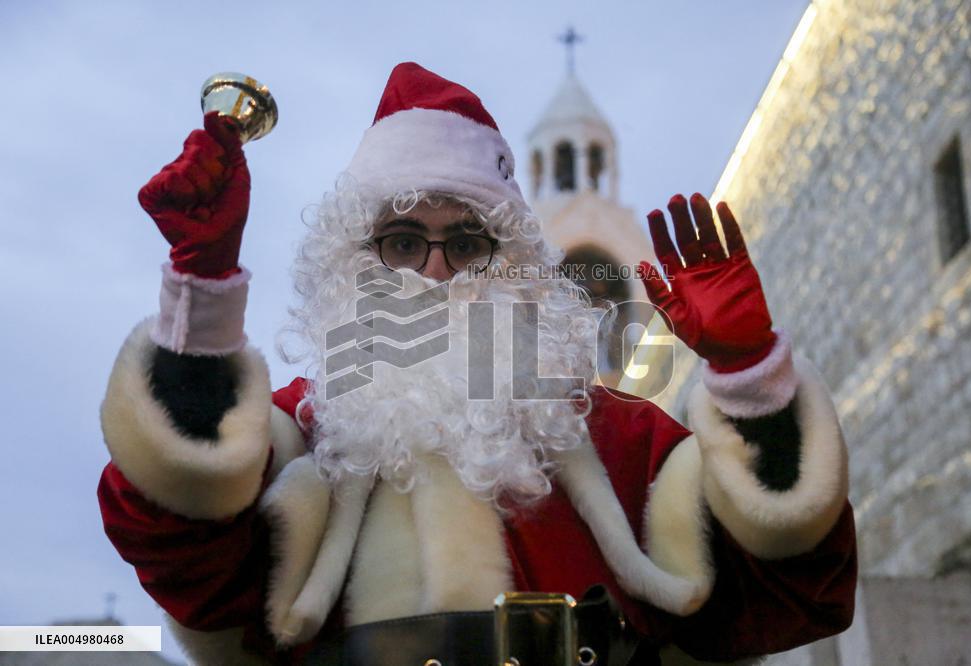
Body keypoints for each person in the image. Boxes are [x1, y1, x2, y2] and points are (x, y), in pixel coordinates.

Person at [98, 62, 857, 665]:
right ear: (354, 265)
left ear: (516, 267)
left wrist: (752, 376)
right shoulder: (300, 433)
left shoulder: (623, 440)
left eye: (467, 244)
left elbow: (794, 593)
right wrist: (199, 298)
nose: (435, 272)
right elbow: (178, 551)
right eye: (401, 242)